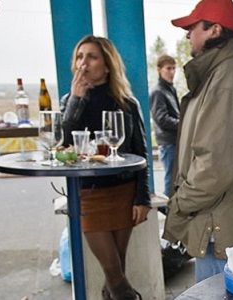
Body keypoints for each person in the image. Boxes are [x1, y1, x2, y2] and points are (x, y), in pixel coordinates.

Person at [162, 0, 233, 283]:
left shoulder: (228, 81)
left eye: (192, 27)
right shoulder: (222, 75)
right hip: (216, 220)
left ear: (214, 30)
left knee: (213, 291)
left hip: (217, 225)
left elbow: (214, 167)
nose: (188, 34)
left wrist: (178, 205)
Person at [60, 35, 151, 300]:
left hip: (123, 191)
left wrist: (142, 197)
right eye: (79, 56)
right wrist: (77, 100)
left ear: (107, 65)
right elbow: (64, 145)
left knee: (116, 272)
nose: (83, 63)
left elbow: (140, 151)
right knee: (115, 276)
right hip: (89, 195)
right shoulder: (70, 101)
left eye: (91, 57)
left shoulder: (126, 103)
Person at [149, 54, 180, 200]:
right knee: (171, 178)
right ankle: (167, 207)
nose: (172, 72)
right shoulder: (158, 92)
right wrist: (183, 124)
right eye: (168, 68)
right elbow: (161, 119)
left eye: (174, 68)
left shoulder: (170, 90)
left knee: (175, 178)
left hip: (175, 141)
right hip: (168, 142)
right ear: (159, 70)